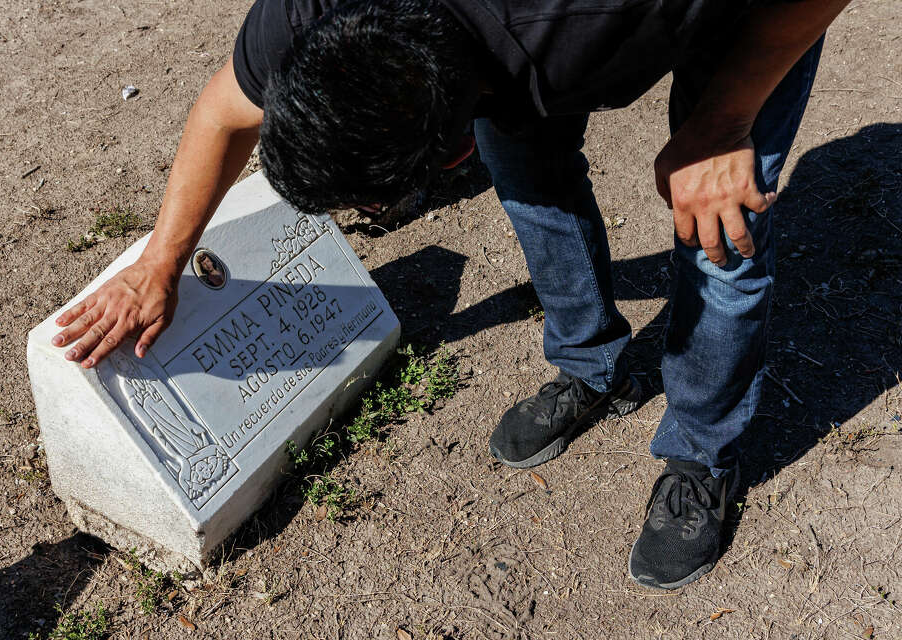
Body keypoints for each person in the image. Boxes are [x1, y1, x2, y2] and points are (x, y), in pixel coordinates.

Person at [50, 0, 849, 588]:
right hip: (503, 50)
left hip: (746, 17)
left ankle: (702, 452)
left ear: (445, 152)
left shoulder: (577, 18)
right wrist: (162, 261)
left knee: (718, 237)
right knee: (529, 167)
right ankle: (595, 364)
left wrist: (722, 123)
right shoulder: (301, 20)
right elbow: (226, 112)